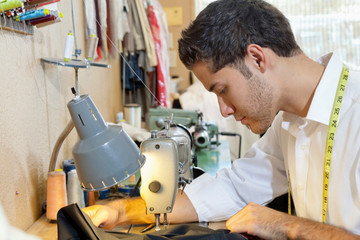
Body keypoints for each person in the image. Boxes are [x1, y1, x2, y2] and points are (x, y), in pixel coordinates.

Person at [83, 0, 360, 239]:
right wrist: (120, 211)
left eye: (222, 90)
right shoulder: (289, 122)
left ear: (256, 58)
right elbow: (233, 188)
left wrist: (287, 226)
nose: (224, 110)